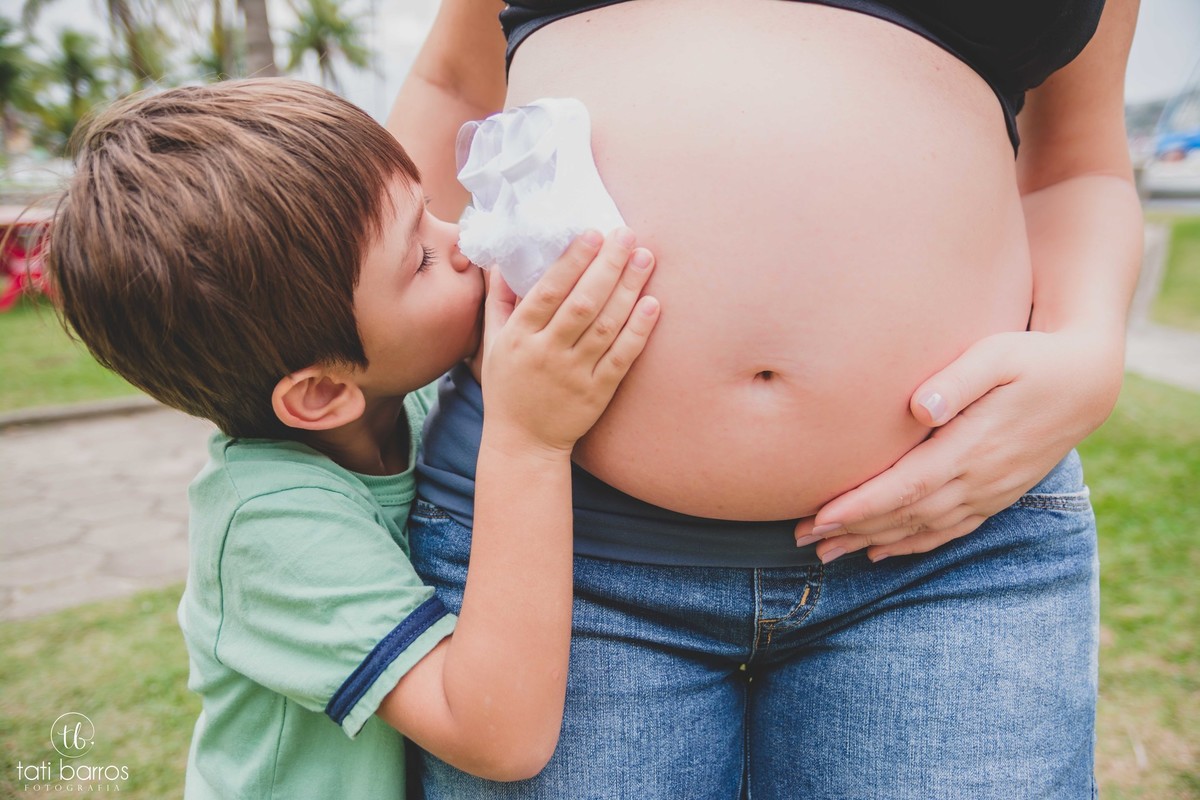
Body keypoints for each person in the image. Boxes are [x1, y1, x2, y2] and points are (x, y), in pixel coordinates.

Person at [390, 0, 1143, 797]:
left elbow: (1077, 165)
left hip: (949, 556)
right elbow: (456, 88)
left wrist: (1091, 351)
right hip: (546, 552)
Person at [44, 78, 660, 799]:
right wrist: (527, 441)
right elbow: (498, 736)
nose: (461, 244)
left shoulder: (408, 397)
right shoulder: (270, 525)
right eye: (420, 260)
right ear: (323, 393)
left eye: (429, 213)